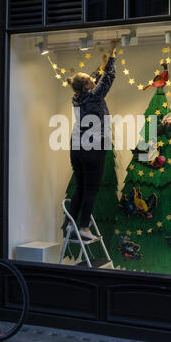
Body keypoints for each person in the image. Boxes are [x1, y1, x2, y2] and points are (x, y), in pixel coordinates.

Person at [65, 40, 117, 240]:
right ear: (87, 85)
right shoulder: (94, 96)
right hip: (93, 147)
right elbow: (108, 78)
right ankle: (84, 229)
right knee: (91, 188)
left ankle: (71, 225)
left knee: (80, 186)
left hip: (76, 147)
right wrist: (112, 54)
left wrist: (100, 66)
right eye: (90, 79)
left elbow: (95, 78)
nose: (93, 79)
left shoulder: (77, 97)